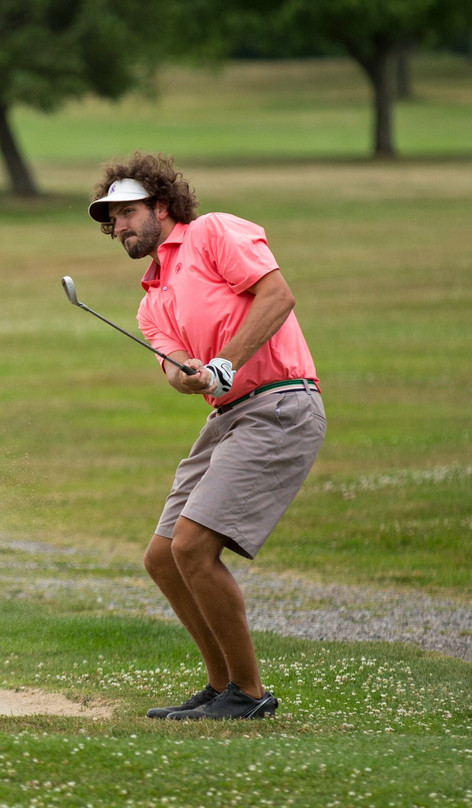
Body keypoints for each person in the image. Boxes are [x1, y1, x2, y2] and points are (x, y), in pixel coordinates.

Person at [87, 152, 326, 719]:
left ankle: (248, 692)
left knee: (194, 547)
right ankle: (222, 688)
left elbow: (278, 296)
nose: (118, 226)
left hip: (280, 403)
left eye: (126, 213)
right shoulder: (152, 300)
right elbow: (172, 370)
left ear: (161, 206)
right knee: (163, 557)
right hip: (226, 415)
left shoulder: (213, 233)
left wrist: (223, 362)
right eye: (111, 219)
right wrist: (190, 375)